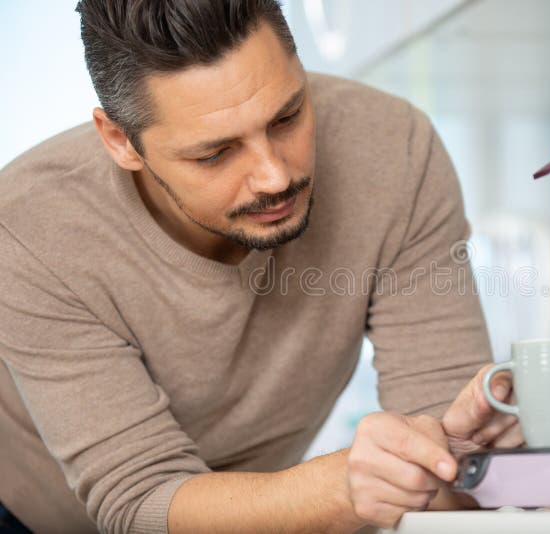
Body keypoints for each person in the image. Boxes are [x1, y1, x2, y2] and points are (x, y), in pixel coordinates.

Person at [0, 1, 522, 533]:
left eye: (287, 117)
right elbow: (140, 503)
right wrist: (340, 488)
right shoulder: (28, 227)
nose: (274, 176)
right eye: (215, 154)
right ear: (119, 141)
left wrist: (463, 458)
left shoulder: (397, 153)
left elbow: (444, 455)